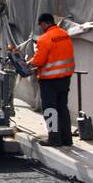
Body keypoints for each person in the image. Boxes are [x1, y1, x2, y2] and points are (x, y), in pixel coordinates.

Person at [29, 13, 76, 146]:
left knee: (50, 110)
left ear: (44, 23)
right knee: (62, 108)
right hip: (65, 78)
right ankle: (67, 139)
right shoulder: (64, 34)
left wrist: (29, 63)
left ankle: (54, 139)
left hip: (49, 80)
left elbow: (38, 61)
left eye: (41, 25)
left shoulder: (44, 39)